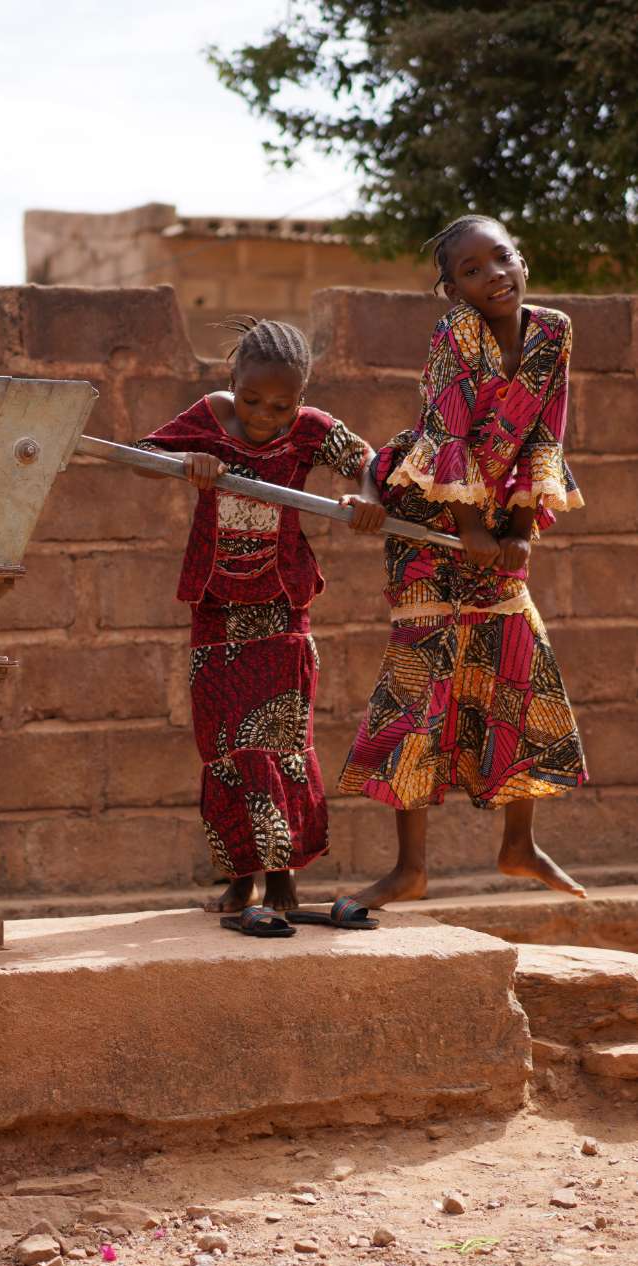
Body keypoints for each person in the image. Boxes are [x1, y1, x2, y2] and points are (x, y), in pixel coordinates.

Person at [338, 215, 588, 907]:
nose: (492, 275)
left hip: (493, 517)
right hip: (426, 520)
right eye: (472, 271)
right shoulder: (457, 334)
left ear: (523, 260)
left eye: (501, 257)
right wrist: (472, 522)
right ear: (453, 290)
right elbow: (446, 425)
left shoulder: (553, 332)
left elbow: (546, 430)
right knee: (423, 680)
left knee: (521, 659)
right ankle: (411, 868)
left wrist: (518, 527)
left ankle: (519, 845)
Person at [133, 318, 385, 929]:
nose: (265, 414)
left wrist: (368, 499)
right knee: (223, 744)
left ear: (301, 397)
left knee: (281, 741)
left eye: (282, 403)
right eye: (252, 399)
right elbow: (142, 458)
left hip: (281, 603)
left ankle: (282, 875)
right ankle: (239, 875)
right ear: (231, 382)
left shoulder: (310, 430)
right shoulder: (210, 417)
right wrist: (185, 460)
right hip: (217, 605)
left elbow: (367, 461)